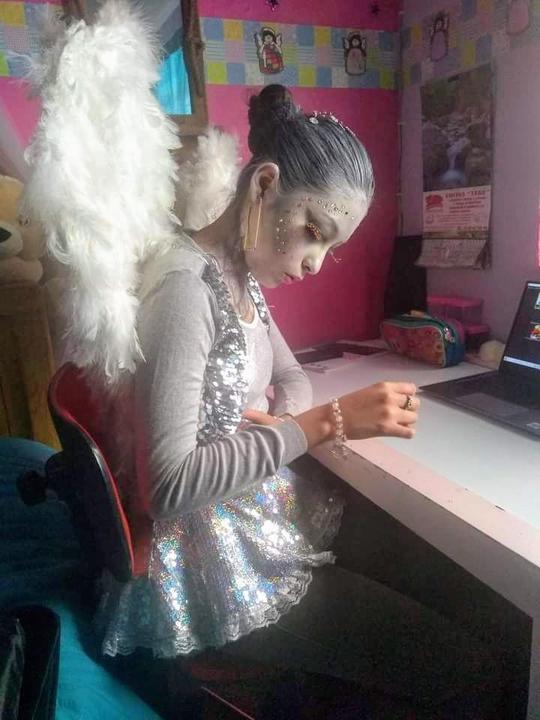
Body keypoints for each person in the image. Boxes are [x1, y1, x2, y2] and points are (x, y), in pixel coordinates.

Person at [94, 84, 501, 716]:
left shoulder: (238, 278)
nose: (315, 263)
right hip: (209, 565)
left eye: (330, 249)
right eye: (314, 233)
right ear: (264, 186)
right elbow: (167, 487)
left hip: (253, 513)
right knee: (463, 665)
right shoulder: (185, 290)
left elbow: (292, 374)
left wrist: (283, 422)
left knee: (435, 581)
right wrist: (319, 425)